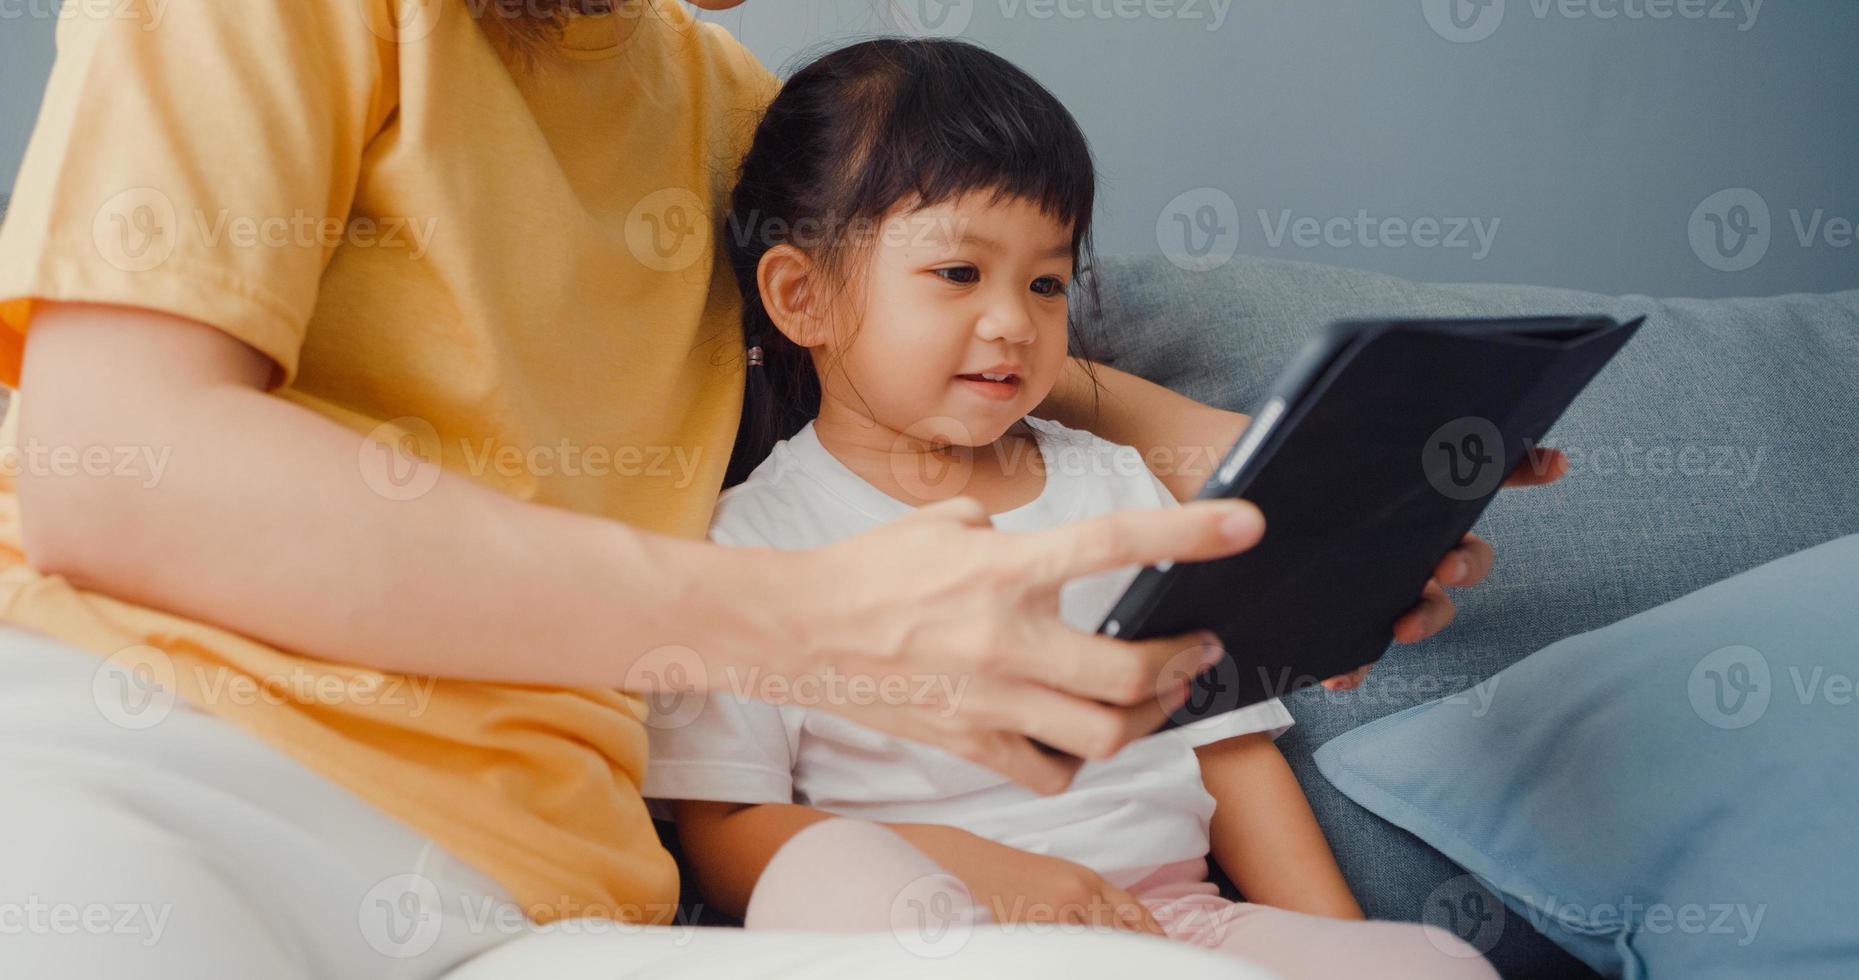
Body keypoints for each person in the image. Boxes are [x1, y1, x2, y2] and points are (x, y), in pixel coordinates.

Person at [0, 2, 1556, 976]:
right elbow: (114, 468)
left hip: (544, 905)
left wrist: (1218, 456)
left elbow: (926, 319)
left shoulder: (723, 105)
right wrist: (804, 627)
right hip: (180, 768)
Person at [644, 38, 1497, 979]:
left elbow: (1228, 753)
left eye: (1046, 283)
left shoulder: (1116, 486)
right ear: (801, 296)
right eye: (959, 274)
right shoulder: (754, 541)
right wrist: (995, 876)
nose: (1013, 320)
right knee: (830, 869)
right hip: (932, 925)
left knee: (1432, 963)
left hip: (1168, 927)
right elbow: (724, 831)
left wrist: (1340, 945)